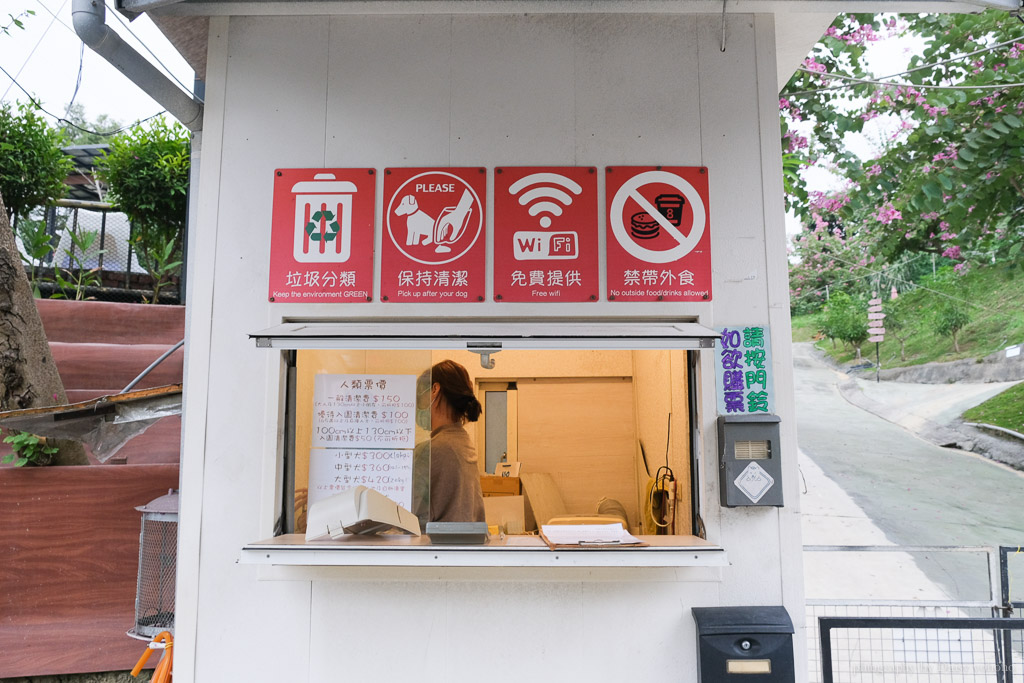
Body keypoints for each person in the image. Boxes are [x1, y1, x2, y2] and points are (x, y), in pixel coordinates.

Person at [413, 360, 486, 525]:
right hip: (463, 546)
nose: (417, 406)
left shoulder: (430, 450)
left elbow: (409, 518)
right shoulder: (462, 440)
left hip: (436, 548)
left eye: (419, 397)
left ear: (434, 390)